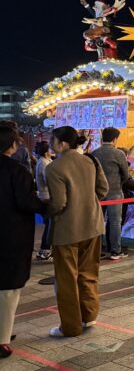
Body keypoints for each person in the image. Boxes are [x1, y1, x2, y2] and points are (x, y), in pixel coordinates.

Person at [45, 126, 109, 337]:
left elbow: (59, 203)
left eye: (52, 140)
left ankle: (70, 326)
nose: (50, 143)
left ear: (62, 144)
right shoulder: (90, 161)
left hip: (67, 229)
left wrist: (46, 210)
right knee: (89, 272)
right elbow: (103, 189)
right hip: (93, 224)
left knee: (66, 279)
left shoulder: (54, 168)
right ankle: (89, 315)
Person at [0, 126, 45, 357]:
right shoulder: (16, 171)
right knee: (8, 290)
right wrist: (49, 206)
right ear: (12, 145)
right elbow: (28, 203)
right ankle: (2, 339)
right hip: (10, 235)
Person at [92, 128, 130, 260]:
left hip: (97, 192)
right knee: (115, 222)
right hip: (115, 192)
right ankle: (115, 251)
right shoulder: (118, 153)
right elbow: (126, 174)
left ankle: (97, 249)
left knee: (98, 221)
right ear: (115, 139)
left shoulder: (94, 153)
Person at [34, 141, 54, 261]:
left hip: (45, 195)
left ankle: (45, 250)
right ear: (47, 151)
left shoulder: (44, 161)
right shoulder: (44, 163)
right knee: (49, 224)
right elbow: (49, 181)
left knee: (48, 224)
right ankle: (45, 251)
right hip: (46, 196)